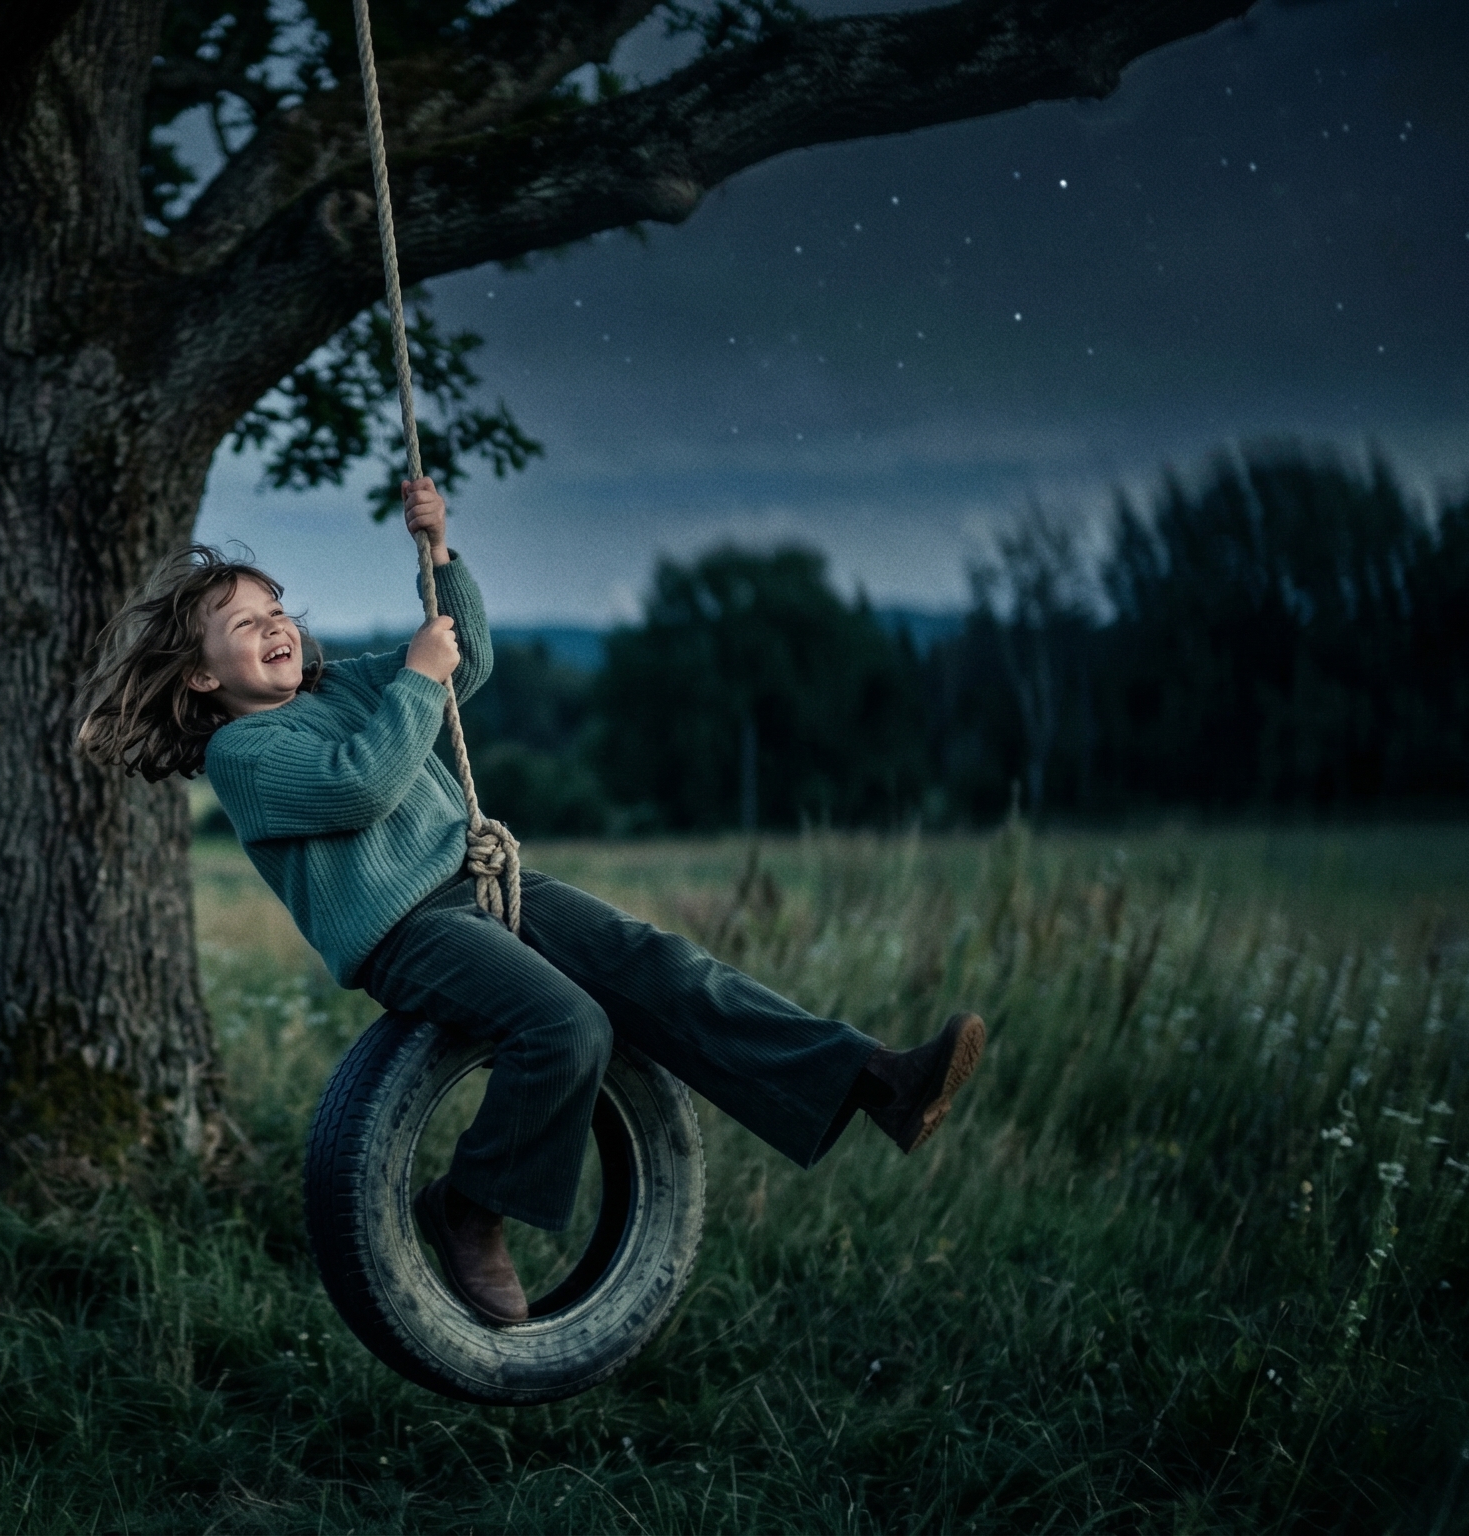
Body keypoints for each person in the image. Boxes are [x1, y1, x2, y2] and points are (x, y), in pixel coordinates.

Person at [75, 479, 984, 1327]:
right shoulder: (244, 757)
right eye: (244, 624)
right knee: (566, 1025)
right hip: (409, 929)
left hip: (487, 888)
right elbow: (363, 786)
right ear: (200, 677)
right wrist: (418, 683)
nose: (275, 627)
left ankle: (872, 1081)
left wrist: (440, 556)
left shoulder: (341, 685)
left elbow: (459, 671)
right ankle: (471, 1206)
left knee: (660, 966)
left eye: (276, 609)